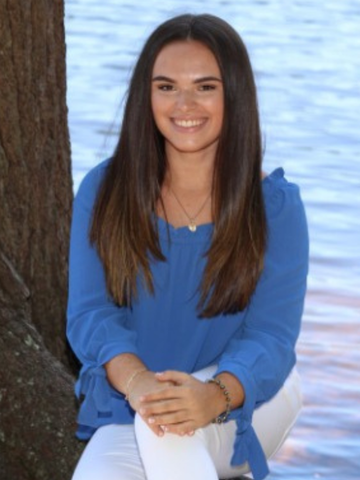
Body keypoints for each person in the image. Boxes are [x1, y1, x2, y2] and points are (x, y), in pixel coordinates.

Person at [67, 13, 309, 480]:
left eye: (205, 86)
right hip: (142, 400)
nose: (184, 104)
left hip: (250, 394)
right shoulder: (103, 191)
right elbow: (90, 315)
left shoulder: (273, 206)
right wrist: (138, 384)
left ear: (233, 94)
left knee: (174, 439)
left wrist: (213, 394)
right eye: (166, 86)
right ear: (146, 95)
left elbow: (272, 337)